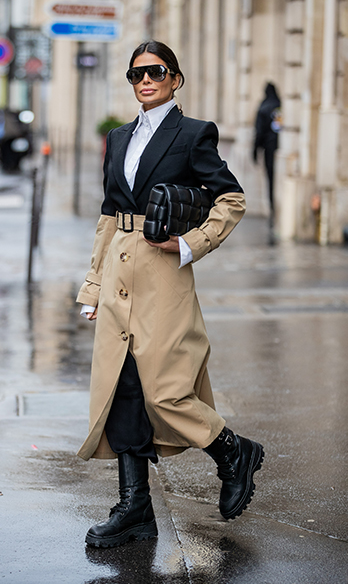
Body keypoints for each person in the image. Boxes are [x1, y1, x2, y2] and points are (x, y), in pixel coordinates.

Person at [77, 40, 264, 548]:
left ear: (175, 78)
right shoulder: (117, 138)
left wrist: (189, 244)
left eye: (156, 71)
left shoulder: (193, 133)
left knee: (166, 387)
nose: (145, 80)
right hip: (119, 270)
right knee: (124, 387)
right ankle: (134, 505)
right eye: (136, 74)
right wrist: (92, 286)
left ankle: (233, 452)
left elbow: (230, 198)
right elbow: (108, 216)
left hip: (164, 274)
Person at [253, 82, 282, 232]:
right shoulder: (280, 106)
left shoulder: (264, 107)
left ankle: (272, 209)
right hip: (280, 147)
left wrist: (255, 150)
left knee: (270, 180)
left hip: (269, 150)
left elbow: (258, 131)